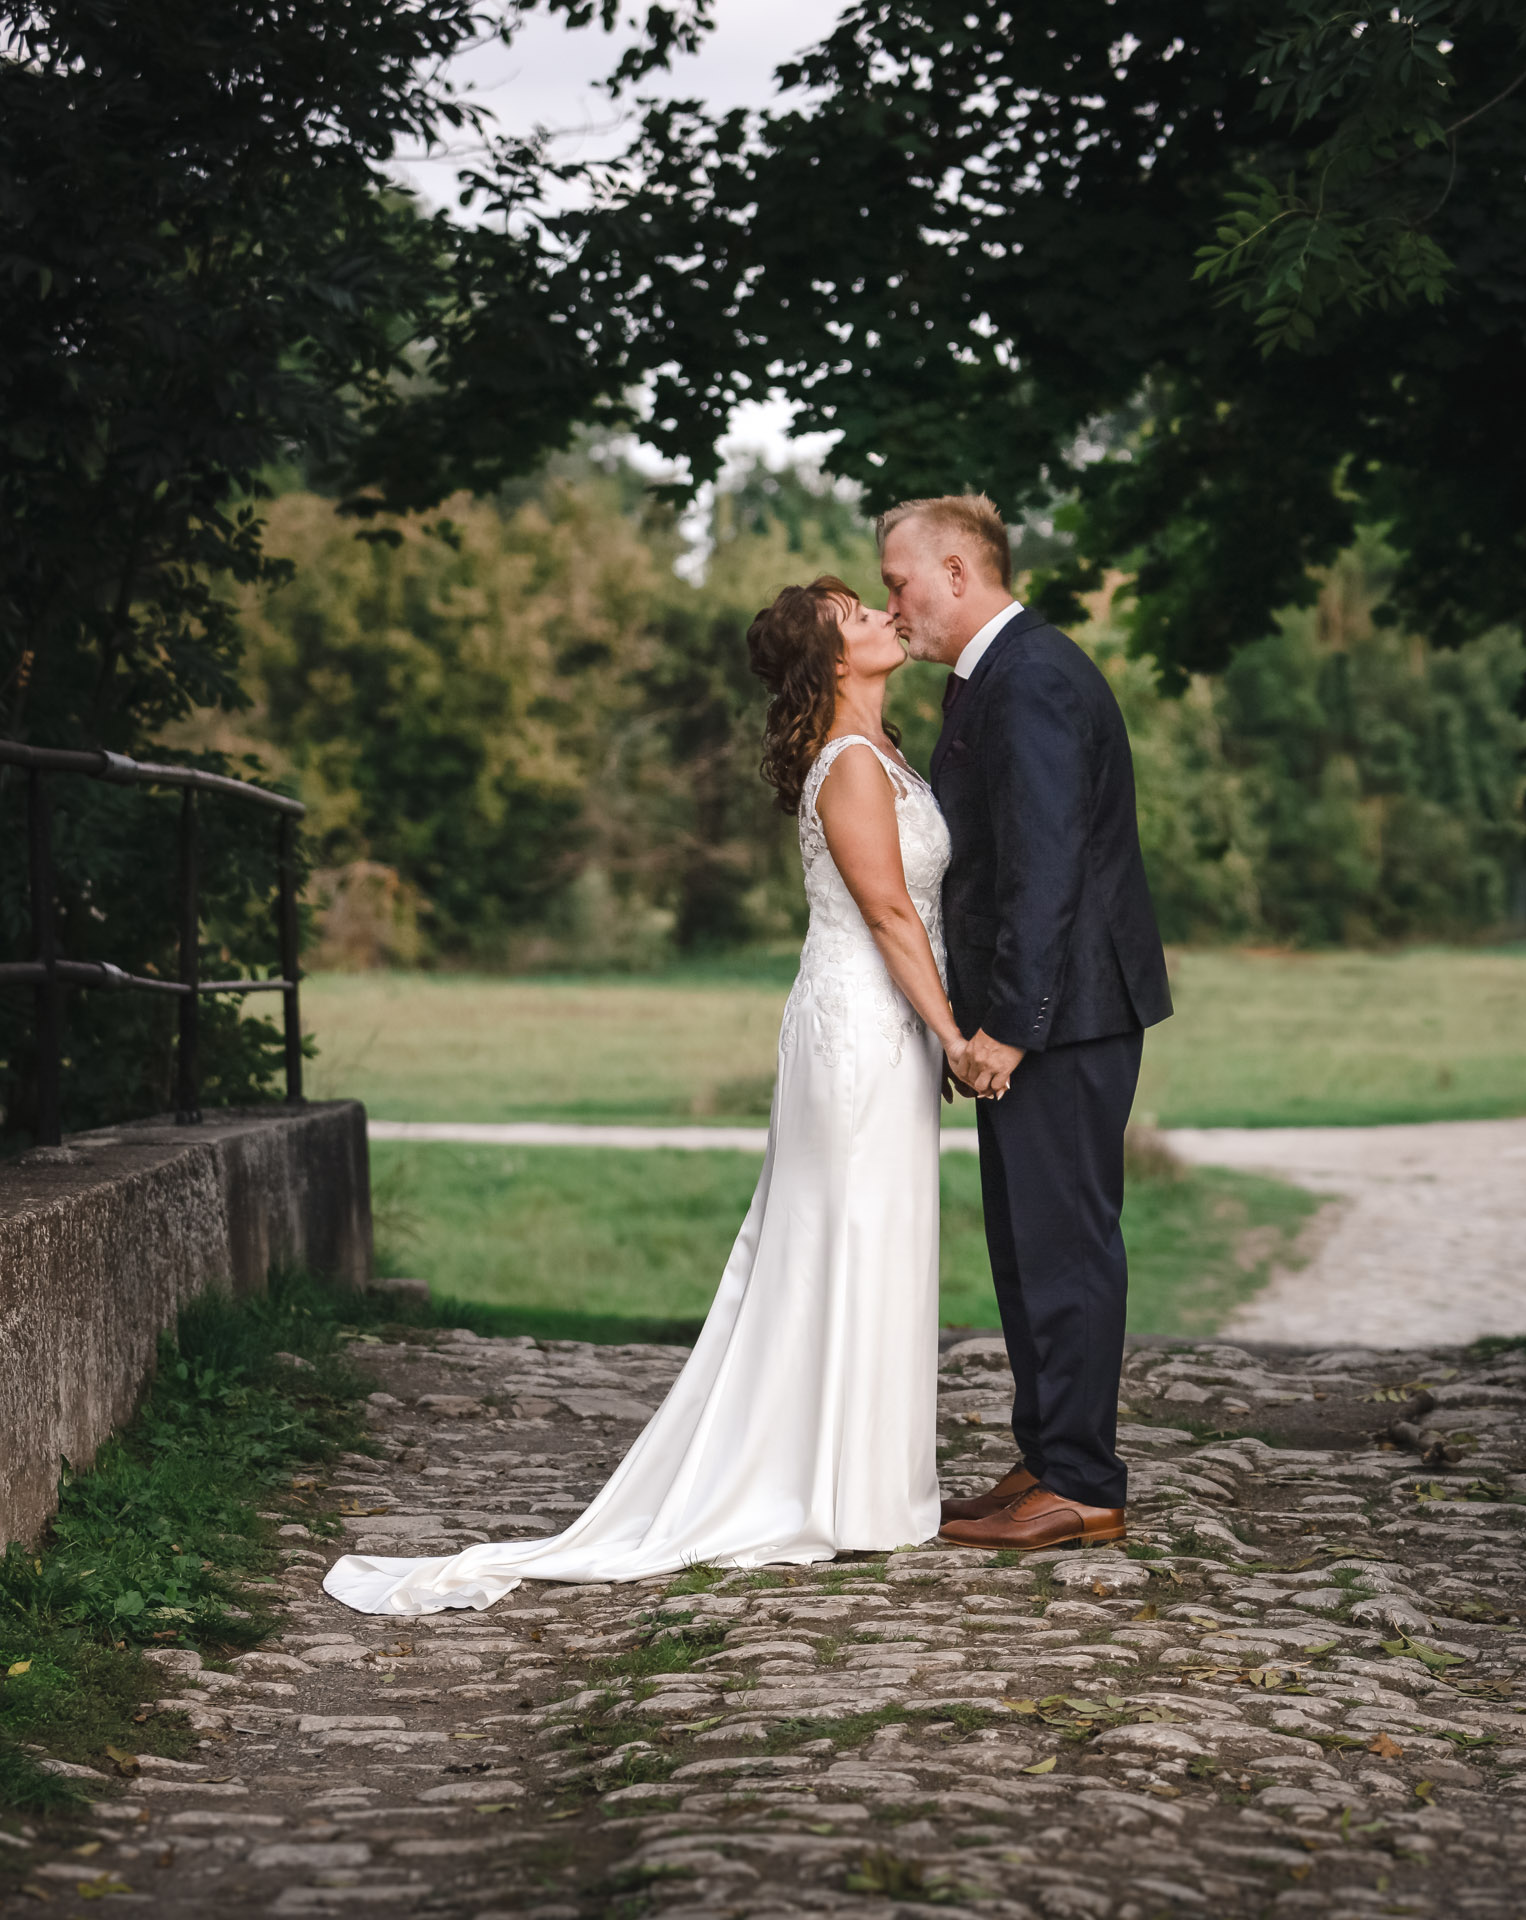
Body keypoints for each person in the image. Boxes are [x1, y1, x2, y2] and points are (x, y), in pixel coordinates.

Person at [323, 578, 974, 1614]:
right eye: (858, 616)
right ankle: (825, 1491)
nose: (883, 619)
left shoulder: (890, 754)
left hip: (888, 1026)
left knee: (883, 1234)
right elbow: (891, 914)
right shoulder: (849, 766)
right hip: (860, 1028)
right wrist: (956, 1038)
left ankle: (874, 1487)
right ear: (832, 661)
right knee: (839, 1236)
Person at [880, 494, 1172, 1553]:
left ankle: (1085, 1482)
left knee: (1065, 1249)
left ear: (959, 573)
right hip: (1052, 1012)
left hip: (1065, 1016)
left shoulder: (1034, 679)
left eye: (900, 581)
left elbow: (1046, 873)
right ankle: (1048, 1456)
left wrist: (1005, 1025)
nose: (893, 603)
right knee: (1026, 1247)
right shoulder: (999, 676)